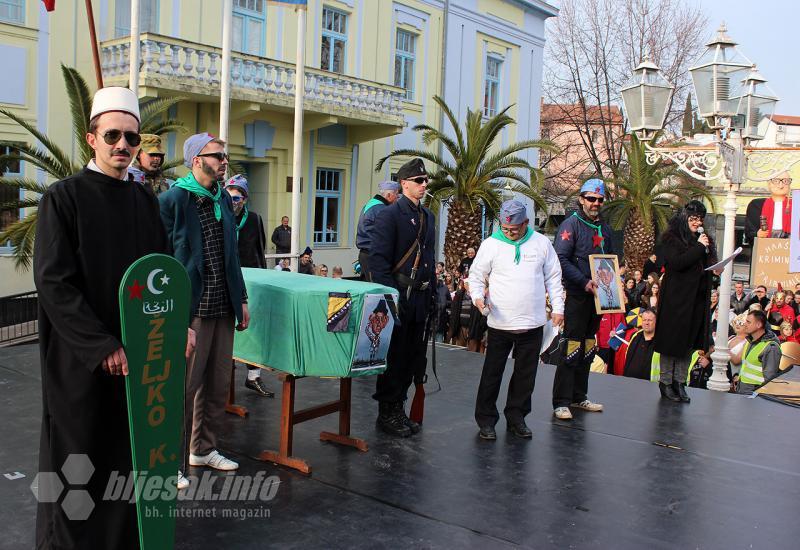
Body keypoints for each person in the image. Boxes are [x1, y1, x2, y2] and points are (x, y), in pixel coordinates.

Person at [34, 87, 194, 549]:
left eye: (130, 137)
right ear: (91, 139)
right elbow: (54, 282)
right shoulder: (62, 199)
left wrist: (178, 323)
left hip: (141, 364)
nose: (122, 145)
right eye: (112, 135)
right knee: (80, 468)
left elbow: (163, 270)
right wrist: (102, 346)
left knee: (130, 469)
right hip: (82, 367)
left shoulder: (144, 201)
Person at [160, 132, 249, 485]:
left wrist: (240, 298)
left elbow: (232, 255)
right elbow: (162, 257)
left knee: (215, 386)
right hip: (191, 309)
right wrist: (170, 313)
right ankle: (169, 463)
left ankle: (203, 449)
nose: (224, 160)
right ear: (197, 160)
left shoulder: (223, 200)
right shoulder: (173, 201)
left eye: (224, 155)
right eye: (217, 155)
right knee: (182, 388)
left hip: (222, 306)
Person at [468, 200, 565, 439]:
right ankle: (486, 420)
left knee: (525, 376)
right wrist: (478, 298)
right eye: (505, 228)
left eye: (515, 229)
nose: (510, 233)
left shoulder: (542, 243)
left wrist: (558, 308)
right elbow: (476, 276)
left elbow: (554, 277)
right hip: (500, 323)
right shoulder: (491, 244)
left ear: (526, 223)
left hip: (532, 323)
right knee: (492, 374)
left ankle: (517, 417)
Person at [368, 158, 436, 437]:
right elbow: (378, 260)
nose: (424, 185)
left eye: (425, 180)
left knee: (412, 357)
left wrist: (432, 294)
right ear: (404, 183)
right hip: (399, 294)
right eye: (418, 181)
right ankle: (387, 412)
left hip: (420, 295)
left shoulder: (428, 216)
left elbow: (429, 258)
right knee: (394, 357)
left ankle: (400, 408)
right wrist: (390, 298)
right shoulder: (389, 214)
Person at [552, 178, 615, 420]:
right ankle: (561, 400)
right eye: (591, 198)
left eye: (599, 199)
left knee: (589, 346)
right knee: (571, 345)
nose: (596, 203)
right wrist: (583, 281)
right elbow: (561, 258)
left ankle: (579, 395)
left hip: (598, 298)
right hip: (579, 295)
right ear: (581, 199)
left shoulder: (605, 229)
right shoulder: (571, 225)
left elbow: (609, 261)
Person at [653, 200, 718, 404]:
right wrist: (699, 247)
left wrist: (715, 268)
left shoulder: (703, 240)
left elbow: (706, 264)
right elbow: (677, 263)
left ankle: (680, 381)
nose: (697, 222)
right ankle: (666, 382)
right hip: (676, 300)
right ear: (684, 218)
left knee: (688, 343)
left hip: (696, 300)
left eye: (700, 219)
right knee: (671, 342)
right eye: (693, 218)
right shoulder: (671, 239)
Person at [224, 175, 273, 399]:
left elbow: (259, 250)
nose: (234, 201)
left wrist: (263, 277)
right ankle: (224, 380)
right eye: (230, 195)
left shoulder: (253, 219)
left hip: (249, 279)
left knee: (251, 328)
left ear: (244, 199)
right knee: (224, 329)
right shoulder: (219, 215)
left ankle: (253, 377)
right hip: (224, 279)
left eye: (238, 197)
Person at [356, 181, 400, 280]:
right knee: (376, 290)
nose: (398, 198)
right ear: (389, 195)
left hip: (366, 254)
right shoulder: (382, 209)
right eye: (396, 194)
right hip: (374, 255)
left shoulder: (371, 204)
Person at [736, 310, 781, 394]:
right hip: (743, 392)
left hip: (755, 397)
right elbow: (746, 366)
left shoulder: (771, 347)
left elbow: (769, 379)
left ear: (759, 325)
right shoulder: (749, 341)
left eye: (748, 322)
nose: (745, 324)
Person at [745, 172, 793, 241]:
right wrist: (757, 234)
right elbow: (749, 232)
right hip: (765, 248)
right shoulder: (756, 205)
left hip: (789, 247)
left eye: (786, 181)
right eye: (776, 181)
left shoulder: (796, 205)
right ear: (769, 184)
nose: (781, 185)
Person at [623, 309, 658, 380]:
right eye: (644, 320)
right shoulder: (635, 336)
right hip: (631, 382)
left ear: (656, 322)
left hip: (651, 385)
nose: (646, 323)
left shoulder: (661, 340)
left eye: (650, 320)